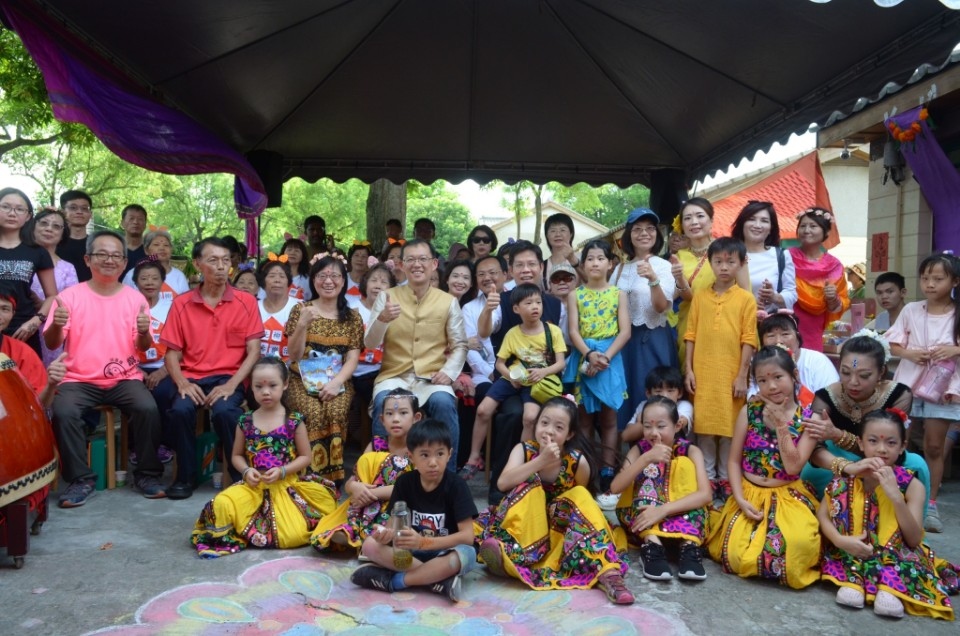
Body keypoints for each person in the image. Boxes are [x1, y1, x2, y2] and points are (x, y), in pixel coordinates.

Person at [43, 230, 167, 506]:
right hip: (78, 378)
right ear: (87, 259)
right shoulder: (69, 297)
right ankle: (80, 479)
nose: (109, 260)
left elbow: (143, 347)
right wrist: (56, 323)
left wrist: (145, 332)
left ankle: (147, 474)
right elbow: (53, 341)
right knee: (63, 412)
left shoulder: (135, 299)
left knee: (147, 407)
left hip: (124, 377)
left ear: (124, 263)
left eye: (116, 256)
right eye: (102, 254)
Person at [477, 397, 634, 604]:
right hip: (525, 527)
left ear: (569, 434)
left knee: (580, 494)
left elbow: (581, 501)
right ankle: (508, 558)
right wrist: (540, 462)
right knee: (530, 487)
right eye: (544, 423)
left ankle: (608, 572)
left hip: (558, 530)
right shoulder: (523, 450)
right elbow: (503, 483)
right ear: (536, 424)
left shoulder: (577, 461)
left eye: (558, 427)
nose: (549, 431)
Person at [819, 408, 958, 620]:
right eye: (873, 441)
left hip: (898, 556)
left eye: (891, 443)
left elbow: (913, 539)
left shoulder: (912, 485)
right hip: (851, 550)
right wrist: (839, 540)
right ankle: (856, 579)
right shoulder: (847, 478)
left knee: (903, 569)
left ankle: (889, 585)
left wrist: (895, 496)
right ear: (861, 443)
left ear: (903, 446)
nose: (881, 449)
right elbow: (823, 516)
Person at [191, 357, 337, 557]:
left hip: (286, 486)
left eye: (272, 385)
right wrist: (246, 470)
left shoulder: (294, 420)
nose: (265, 391)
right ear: (251, 388)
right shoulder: (245, 420)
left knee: (292, 535)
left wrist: (283, 471)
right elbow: (236, 456)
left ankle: (250, 530)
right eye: (258, 386)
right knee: (221, 504)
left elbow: (305, 457)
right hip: (253, 486)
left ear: (285, 385)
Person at [706, 346, 821, 589]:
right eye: (762, 380)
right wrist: (738, 498)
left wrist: (781, 425)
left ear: (794, 375)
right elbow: (734, 461)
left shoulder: (810, 418)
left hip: (788, 497)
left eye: (778, 377)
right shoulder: (750, 410)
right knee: (734, 555)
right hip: (748, 493)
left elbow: (792, 467)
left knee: (796, 552)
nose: (771, 387)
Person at [162, 237, 264, 500]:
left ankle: (240, 478)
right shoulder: (182, 303)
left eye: (226, 260)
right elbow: (171, 354)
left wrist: (231, 385)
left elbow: (254, 352)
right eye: (213, 260)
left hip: (230, 376)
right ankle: (185, 477)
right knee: (179, 410)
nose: (221, 266)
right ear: (197, 264)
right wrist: (183, 383)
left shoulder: (245, 301)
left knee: (225, 413)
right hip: (192, 377)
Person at [365, 239, 467, 473]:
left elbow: (460, 344)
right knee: (384, 403)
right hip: (394, 375)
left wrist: (448, 373)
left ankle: (446, 476)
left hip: (432, 378)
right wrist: (383, 319)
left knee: (444, 403)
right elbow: (370, 343)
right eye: (410, 259)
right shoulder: (387, 297)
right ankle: (382, 473)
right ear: (401, 264)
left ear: (433, 264)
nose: (417, 264)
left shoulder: (448, 301)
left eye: (423, 259)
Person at [351, 418, 478, 602]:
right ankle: (439, 581)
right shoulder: (404, 483)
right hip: (411, 552)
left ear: (449, 454)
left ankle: (396, 581)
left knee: (464, 555)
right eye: (425, 455)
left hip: (444, 551)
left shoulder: (457, 486)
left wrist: (424, 542)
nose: (433, 462)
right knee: (370, 545)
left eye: (440, 454)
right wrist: (386, 535)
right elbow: (392, 526)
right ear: (411, 457)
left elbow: (467, 537)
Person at [800, 335, 930, 500]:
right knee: (811, 472)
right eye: (846, 372)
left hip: (885, 457)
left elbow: (891, 446)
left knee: (917, 465)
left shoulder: (898, 394)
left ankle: (910, 521)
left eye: (864, 375)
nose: (853, 382)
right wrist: (848, 467)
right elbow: (814, 448)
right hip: (836, 459)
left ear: (881, 372)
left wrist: (838, 436)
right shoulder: (826, 396)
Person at [884, 252, 960, 533]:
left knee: (934, 446)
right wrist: (911, 354)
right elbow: (894, 346)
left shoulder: (957, 312)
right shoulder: (912, 310)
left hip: (945, 388)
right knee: (899, 439)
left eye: (938, 279)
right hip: (910, 384)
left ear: (955, 281)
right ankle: (897, 492)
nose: (930, 284)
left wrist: (954, 349)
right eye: (925, 278)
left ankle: (930, 503)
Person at [462, 283, 567, 476]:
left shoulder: (552, 331)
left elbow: (560, 363)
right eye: (528, 303)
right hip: (513, 377)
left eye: (538, 302)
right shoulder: (513, 333)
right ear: (516, 309)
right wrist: (510, 376)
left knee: (529, 417)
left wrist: (543, 372)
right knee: (483, 410)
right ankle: (474, 457)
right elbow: (500, 363)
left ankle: (522, 463)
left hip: (538, 381)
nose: (535, 306)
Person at [684, 237, 757, 504]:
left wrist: (742, 375)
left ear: (740, 264)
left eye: (730, 261)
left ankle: (727, 482)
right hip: (703, 373)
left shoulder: (747, 299)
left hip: (731, 375)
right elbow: (690, 334)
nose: (724, 267)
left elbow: (749, 339)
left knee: (729, 431)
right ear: (710, 263)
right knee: (704, 430)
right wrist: (688, 370)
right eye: (718, 261)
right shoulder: (700, 297)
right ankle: (707, 482)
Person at [610, 396, 710, 582]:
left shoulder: (690, 451)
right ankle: (652, 546)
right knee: (647, 481)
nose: (653, 433)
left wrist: (663, 510)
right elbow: (616, 487)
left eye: (661, 426)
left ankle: (689, 547)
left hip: (679, 510)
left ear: (677, 425)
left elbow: (705, 495)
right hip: (646, 511)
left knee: (686, 469)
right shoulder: (639, 450)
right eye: (647, 426)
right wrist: (646, 459)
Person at [311, 388, 419, 552]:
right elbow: (354, 479)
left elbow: (413, 486)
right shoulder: (376, 445)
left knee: (403, 522)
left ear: (416, 418)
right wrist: (355, 488)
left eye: (403, 413)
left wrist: (373, 494)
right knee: (331, 532)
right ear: (382, 420)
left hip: (399, 504)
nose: (396, 419)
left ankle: (375, 537)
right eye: (389, 414)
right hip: (367, 504)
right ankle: (366, 535)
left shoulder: (418, 448)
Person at [285, 254, 362, 483]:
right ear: (313, 280)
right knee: (313, 412)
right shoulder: (301, 310)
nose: (328, 281)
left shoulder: (352, 317)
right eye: (322, 275)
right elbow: (294, 355)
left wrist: (337, 382)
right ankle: (309, 476)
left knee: (335, 410)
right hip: (300, 380)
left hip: (338, 381)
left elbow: (353, 358)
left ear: (343, 280)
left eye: (335, 275)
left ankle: (334, 477)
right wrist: (302, 325)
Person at [566, 239, 630, 487]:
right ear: (583, 264)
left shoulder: (618, 294)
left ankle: (607, 468)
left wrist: (605, 357)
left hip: (611, 360)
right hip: (584, 358)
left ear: (610, 264)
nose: (595, 263)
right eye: (590, 259)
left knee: (609, 418)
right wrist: (590, 355)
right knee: (583, 419)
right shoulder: (575, 295)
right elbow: (573, 331)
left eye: (600, 258)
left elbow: (625, 332)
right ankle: (586, 465)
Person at [611, 208, 677, 432]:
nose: (644, 233)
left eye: (650, 229)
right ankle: (629, 455)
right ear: (629, 235)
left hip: (652, 339)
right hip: (623, 342)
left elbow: (661, 307)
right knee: (625, 395)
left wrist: (652, 278)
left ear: (657, 235)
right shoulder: (620, 269)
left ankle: (656, 454)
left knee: (652, 394)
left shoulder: (663, 266)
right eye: (637, 229)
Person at [0, 187, 57, 357]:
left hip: (22, 331)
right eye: (6, 207)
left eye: (19, 209)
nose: (12, 213)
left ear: (28, 216)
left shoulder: (37, 252)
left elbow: (52, 296)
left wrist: (34, 322)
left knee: (25, 382)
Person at [131, 257, 176, 465]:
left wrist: (163, 371)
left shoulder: (173, 307)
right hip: (132, 367)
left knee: (163, 392)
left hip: (166, 366)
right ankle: (136, 446)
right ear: (136, 281)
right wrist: (137, 371)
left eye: (154, 278)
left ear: (162, 281)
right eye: (144, 278)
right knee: (133, 396)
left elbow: (181, 345)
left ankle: (164, 444)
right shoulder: (127, 306)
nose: (149, 282)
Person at [789, 207, 850, 352]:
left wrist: (833, 297)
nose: (806, 230)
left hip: (814, 327)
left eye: (813, 226)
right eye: (802, 226)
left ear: (826, 232)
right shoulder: (786, 257)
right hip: (787, 322)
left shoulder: (834, 265)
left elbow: (840, 303)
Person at [351, 264, 396, 447]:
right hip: (356, 371)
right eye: (374, 280)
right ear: (365, 284)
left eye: (384, 282)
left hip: (383, 370)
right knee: (385, 399)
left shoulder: (394, 312)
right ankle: (378, 448)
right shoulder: (353, 310)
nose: (378, 285)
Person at [0, 283, 65, 407]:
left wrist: (50, 385)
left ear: (13, 313)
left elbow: (40, 404)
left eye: (5, 309)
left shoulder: (22, 352)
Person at [756, 311, 839, 406]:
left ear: (798, 337)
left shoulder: (818, 361)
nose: (778, 341)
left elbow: (831, 401)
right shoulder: (759, 364)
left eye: (785, 334)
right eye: (771, 336)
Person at [29, 207, 78, 366]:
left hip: (52, 330)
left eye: (56, 226)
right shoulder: (21, 258)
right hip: (19, 324)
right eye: (44, 223)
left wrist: (44, 306)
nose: (49, 228)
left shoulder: (67, 268)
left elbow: (72, 306)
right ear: (34, 226)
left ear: (63, 233)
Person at [730, 200, 796, 312]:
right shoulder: (729, 254)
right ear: (742, 224)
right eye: (751, 219)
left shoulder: (781, 255)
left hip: (768, 325)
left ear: (771, 228)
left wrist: (774, 297)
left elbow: (791, 292)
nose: (757, 225)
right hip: (734, 322)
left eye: (764, 221)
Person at [622, 366, 694, 442]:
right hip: (648, 450)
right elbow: (626, 436)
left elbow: (681, 422)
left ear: (680, 393)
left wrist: (646, 421)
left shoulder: (683, 406)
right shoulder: (643, 406)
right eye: (658, 391)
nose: (664, 396)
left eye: (670, 391)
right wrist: (642, 423)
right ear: (648, 394)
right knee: (635, 449)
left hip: (676, 449)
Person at [121, 229, 190, 300]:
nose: (162, 248)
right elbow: (124, 301)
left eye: (166, 245)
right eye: (156, 245)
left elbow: (185, 303)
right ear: (146, 250)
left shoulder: (179, 276)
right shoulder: (133, 274)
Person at [256, 259, 299, 362]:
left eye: (282, 276)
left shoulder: (299, 306)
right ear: (263, 281)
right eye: (272, 276)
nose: (277, 280)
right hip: (258, 368)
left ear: (288, 281)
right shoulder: (253, 307)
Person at [55, 189, 93, 282]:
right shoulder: (53, 244)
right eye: (73, 208)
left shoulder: (96, 245)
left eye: (84, 208)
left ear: (90, 214)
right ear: (62, 212)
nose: (79, 212)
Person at [542, 213, 580, 284]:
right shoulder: (542, 266)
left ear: (571, 234)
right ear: (547, 235)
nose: (558, 234)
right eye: (553, 231)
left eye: (563, 230)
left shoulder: (583, 259)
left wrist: (574, 262)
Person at [119, 204, 148, 278]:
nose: (136, 222)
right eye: (131, 218)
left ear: (145, 224)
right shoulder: (114, 248)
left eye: (140, 219)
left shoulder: (151, 251)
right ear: (122, 223)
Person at [345, 241, 373, 307]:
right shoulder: (342, 279)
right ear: (350, 258)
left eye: (364, 256)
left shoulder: (372, 281)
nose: (360, 259)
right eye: (356, 255)